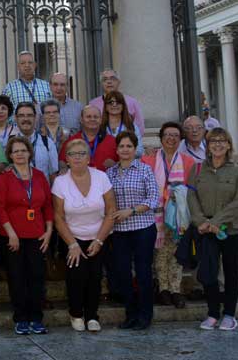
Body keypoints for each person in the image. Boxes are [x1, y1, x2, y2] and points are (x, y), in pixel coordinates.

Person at [53, 138, 116, 333]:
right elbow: (58, 216)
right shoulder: (60, 182)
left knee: (95, 276)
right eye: (73, 154)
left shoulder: (101, 178)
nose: (77, 157)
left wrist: (99, 240)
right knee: (77, 275)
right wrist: (72, 244)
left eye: (82, 153)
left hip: (99, 234)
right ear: (67, 159)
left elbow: (111, 210)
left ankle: (92, 316)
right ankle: (76, 313)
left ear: (89, 158)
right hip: (71, 236)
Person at [189, 128, 238, 331]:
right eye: (213, 140)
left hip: (231, 229)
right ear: (208, 145)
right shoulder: (197, 170)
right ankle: (213, 313)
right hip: (206, 230)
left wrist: (216, 221)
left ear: (229, 145)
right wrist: (200, 222)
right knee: (209, 273)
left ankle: (230, 314)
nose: (218, 144)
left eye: (222, 140)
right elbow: (191, 197)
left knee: (231, 272)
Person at [0, 136, 53, 336]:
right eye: (15, 151)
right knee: (17, 278)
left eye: (23, 150)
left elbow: (47, 206)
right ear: (10, 155)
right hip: (13, 237)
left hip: (38, 235)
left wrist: (49, 231)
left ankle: (36, 318)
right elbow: (0, 208)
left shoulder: (39, 176)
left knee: (37, 277)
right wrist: (11, 234)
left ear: (29, 153)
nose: (20, 154)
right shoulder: (5, 177)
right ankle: (20, 319)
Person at [106, 131, 160, 330]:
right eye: (122, 146)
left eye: (129, 146)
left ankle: (145, 315)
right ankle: (130, 315)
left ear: (135, 148)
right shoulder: (109, 173)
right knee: (123, 274)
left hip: (142, 228)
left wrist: (132, 211)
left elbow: (153, 198)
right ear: (117, 149)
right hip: (119, 230)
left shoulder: (144, 170)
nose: (125, 150)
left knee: (143, 272)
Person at [142, 121, 195, 309]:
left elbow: (193, 188)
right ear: (161, 138)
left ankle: (175, 289)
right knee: (160, 253)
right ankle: (163, 288)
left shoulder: (188, 162)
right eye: (167, 135)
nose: (171, 138)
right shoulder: (148, 160)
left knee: (176, 253)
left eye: (175, 135)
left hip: (178, 215)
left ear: (180, 139)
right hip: (154, 214)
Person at [89, 69, 146, 135]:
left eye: (112, 78)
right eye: (105, 79)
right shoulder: (93, 104)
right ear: (101, 83)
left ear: (119, 82)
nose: (109, 82)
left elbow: (140, 127)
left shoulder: (132, 102)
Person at [61, 106, 118, 171]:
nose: (92, 119)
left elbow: (124, 162)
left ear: (101, 120)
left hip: (105, 180)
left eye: (96, 117)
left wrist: (116, 165)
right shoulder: (71, 142)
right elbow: (62, 162)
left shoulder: (113, 141)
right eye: (88, 117)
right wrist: (63, 168)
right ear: (81, 120)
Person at [100, 91, 144, 156]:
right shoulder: (99, 128)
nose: (114, 105)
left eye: (118, 102)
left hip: (127, 164)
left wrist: (121, 154)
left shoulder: (132, 127)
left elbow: (140, 150)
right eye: (110, 102)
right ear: (106, 107)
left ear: (123, 106)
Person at [34, 100, 63, 179]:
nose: (52, 114)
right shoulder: (37, 135)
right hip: (45, 176)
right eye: (48, 112)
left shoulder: (68, 133)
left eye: (55, 112)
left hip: (64, 174)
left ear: (59, 113)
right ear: (43, 115)